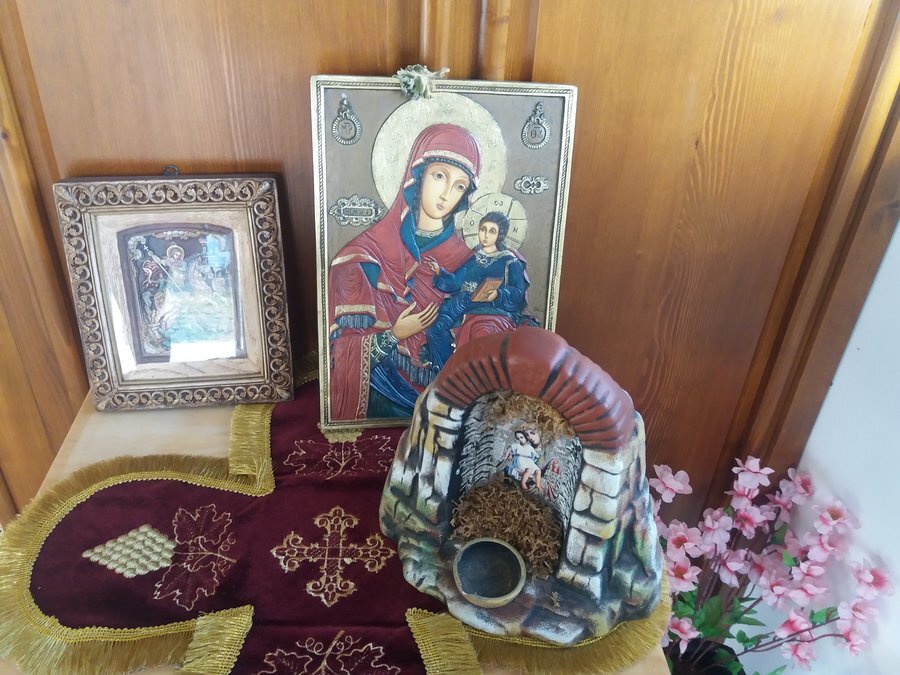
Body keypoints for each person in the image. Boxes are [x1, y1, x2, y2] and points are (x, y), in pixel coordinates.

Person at [328, 124, 481, 421]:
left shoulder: (469, 262)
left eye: (460, 186)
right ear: (418, 176)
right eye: (440, 176)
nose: (446, 194)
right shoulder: (362, 258)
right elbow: (340, 355)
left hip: (447, 408)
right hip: (381, 399)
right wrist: (394, 335)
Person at [421, 211, 534, 370]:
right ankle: (445, 371)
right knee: (435, 331)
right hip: (461, 305)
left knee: (481, 335)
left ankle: (471, 376)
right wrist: (439, 272)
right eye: (483, 229)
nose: (486, 235)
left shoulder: (509, 261)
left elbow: (517, 293)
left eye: (492, 231)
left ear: (500, 235)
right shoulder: (473, 257)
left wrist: (497, 294)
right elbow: (456, 282)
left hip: (491, 309)